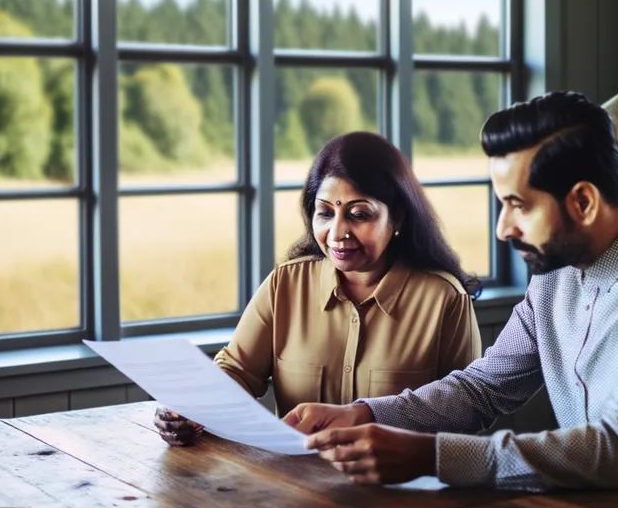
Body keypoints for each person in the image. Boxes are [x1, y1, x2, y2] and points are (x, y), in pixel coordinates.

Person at [285, 92, 618, 508]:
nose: (504, 228)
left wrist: (428, 455)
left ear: (584, 202)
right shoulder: (553, 275)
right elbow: (482, 389)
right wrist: (361, 413)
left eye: (518, 205)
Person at [154, 131, 483, 446]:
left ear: (397, 217)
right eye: (325, 213)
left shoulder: (444, 299)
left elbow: (465, 409)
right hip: (295, 482)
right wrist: (191, 409)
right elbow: (237, 370)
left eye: (358, 215)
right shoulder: (286, 285)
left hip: (403, 491)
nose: (338, 232)